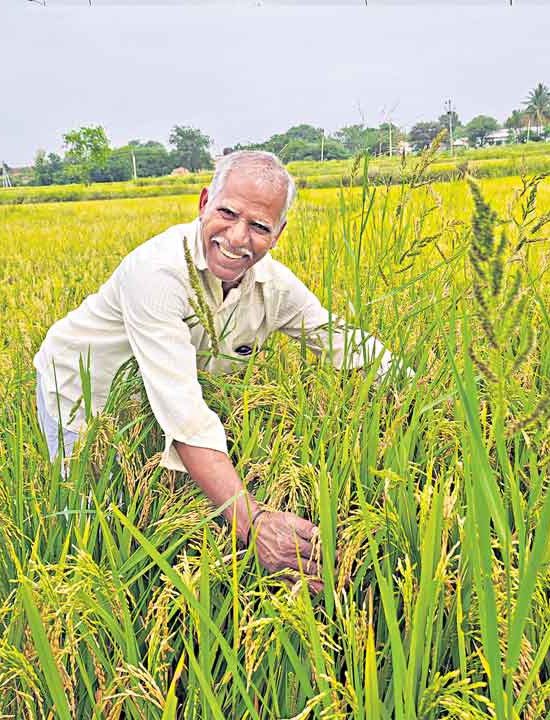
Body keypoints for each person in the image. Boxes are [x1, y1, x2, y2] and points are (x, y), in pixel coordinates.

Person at [33, 150, 395, 593]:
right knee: (88, 515)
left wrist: (425, 390)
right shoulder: (157, 274)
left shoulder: (275, 290)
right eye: (227, 213)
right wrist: (252, 522)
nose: (239, 237)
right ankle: (88, 595)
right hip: (83, 385)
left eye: (260, 226)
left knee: (164, 495)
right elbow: (185, 415)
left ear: (278, 234)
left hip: (153, 398)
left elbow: (345, 343)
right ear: (204, 202)